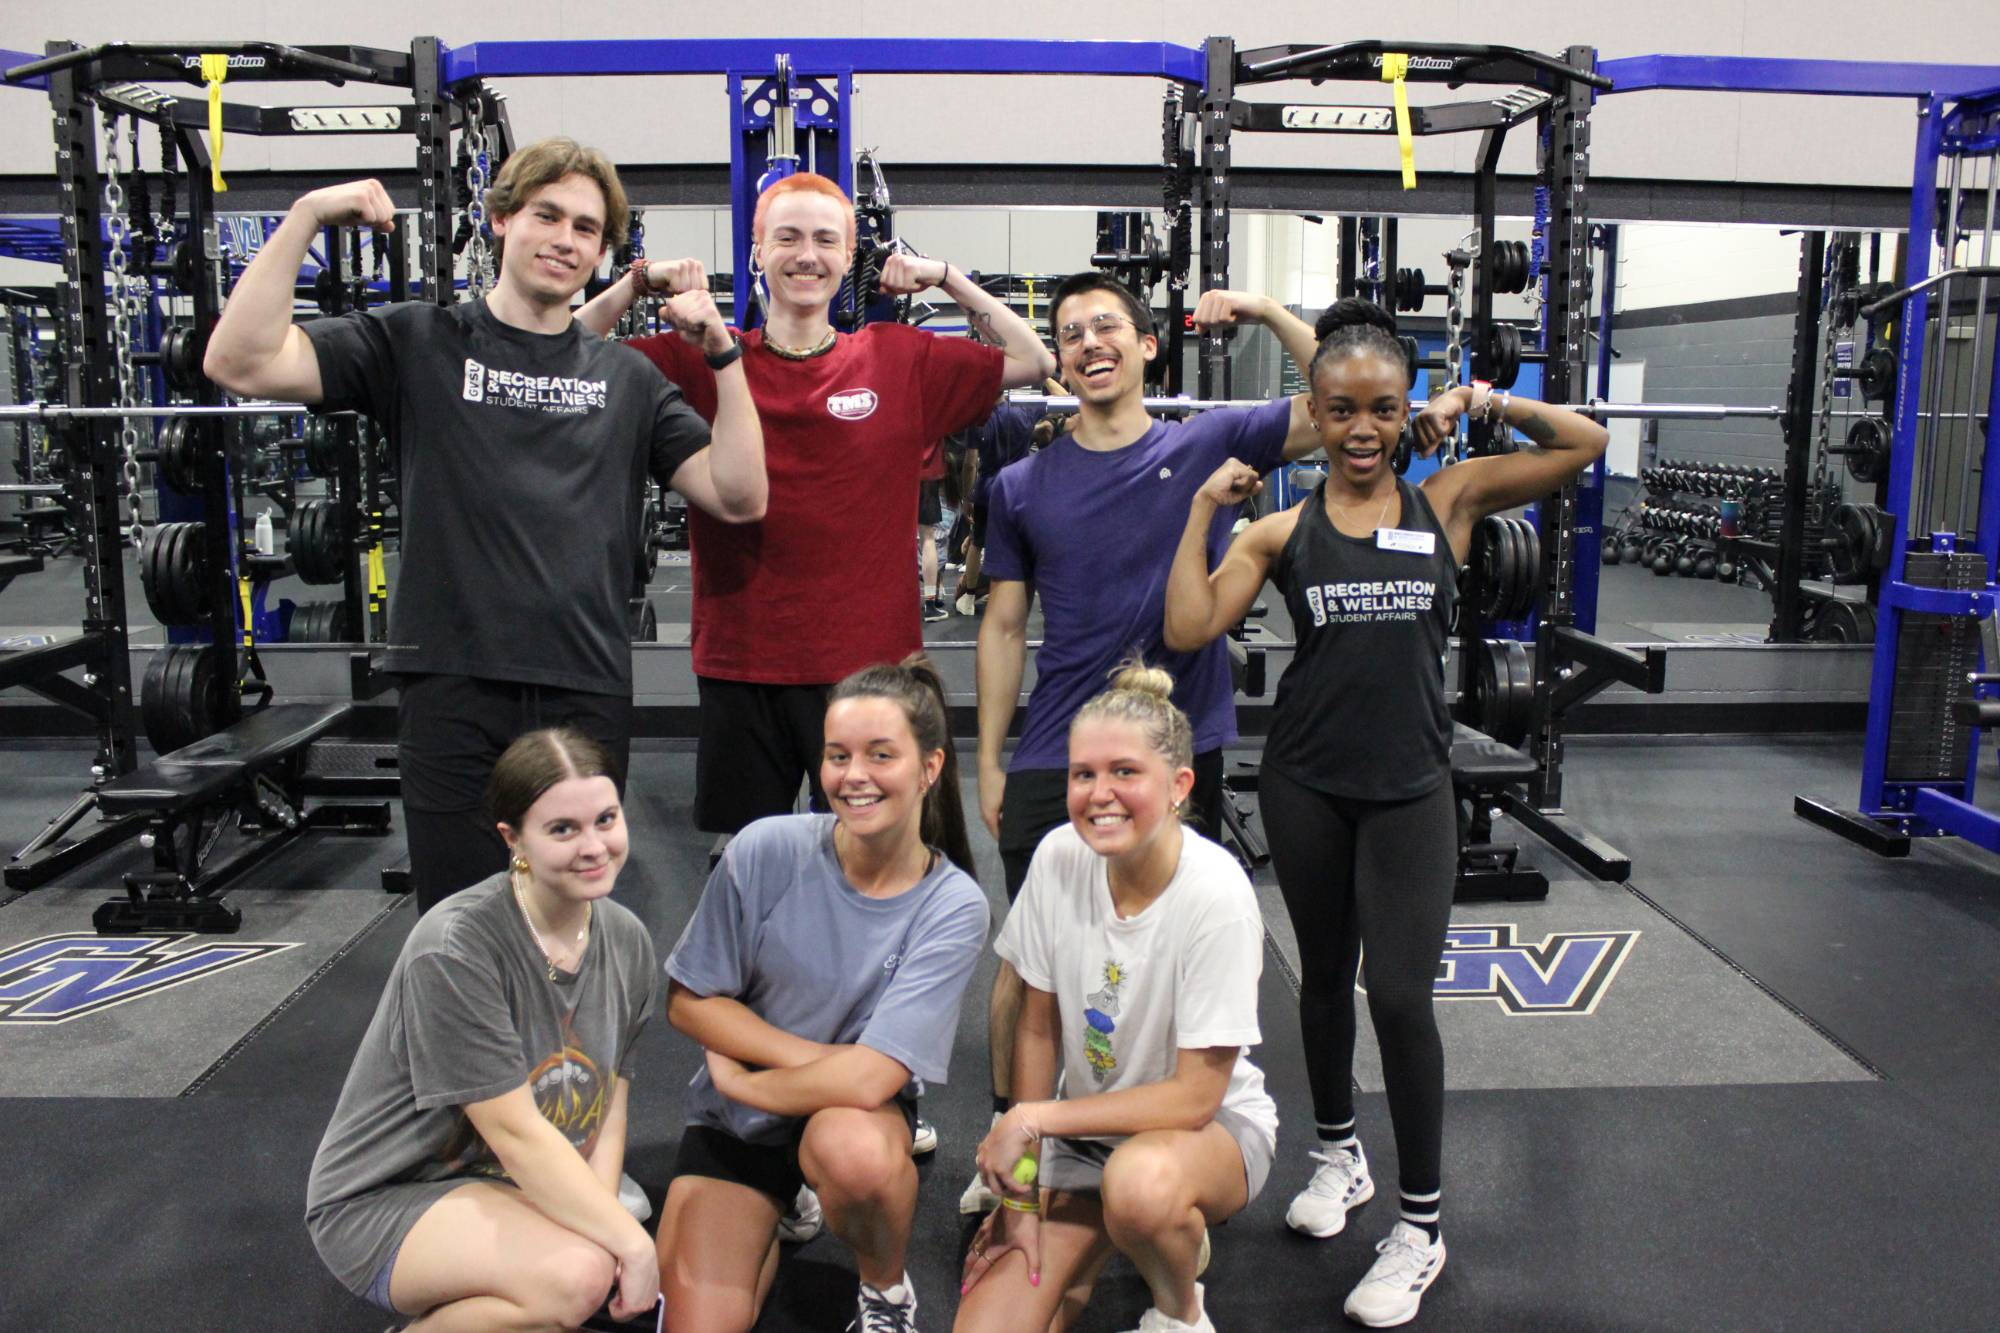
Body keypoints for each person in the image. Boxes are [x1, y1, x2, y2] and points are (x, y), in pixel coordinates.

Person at [1162, 299, 1610, 1327]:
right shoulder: (1282, 529)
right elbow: (1188, 622)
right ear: (1311, 414)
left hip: (1409, 788)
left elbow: (1582, 444)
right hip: (1305, 781)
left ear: (1404, 413)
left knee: (1398, 997)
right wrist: (1201, 513)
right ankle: (1335, 1155)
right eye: (1338, 410)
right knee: (1321, 983)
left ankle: (1420, 1223)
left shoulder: (1447, 501)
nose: (1359, 430)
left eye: (1381, 408)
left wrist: (1479, 398)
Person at [203, 138, 766, 913]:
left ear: (602, 251)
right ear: (500, 219)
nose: (565, 240)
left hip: (583, 686)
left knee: (572, 917)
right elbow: (238, 361)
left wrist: (724, 358)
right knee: (461, 923)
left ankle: (563, 1044)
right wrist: (303, 216)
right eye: (546, 215)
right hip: (452, 688)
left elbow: (739, 496)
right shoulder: (417, 341)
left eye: (586, 229)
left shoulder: (627, 377)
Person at [968, 276, 1323, 1209]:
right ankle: (1016, 1130)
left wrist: (1262, 309)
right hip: (1055, 750)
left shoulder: (1204, 441)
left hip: (1172, 746)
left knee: (1159, 958)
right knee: (1028, 974)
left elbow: (1336, 401)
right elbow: (1004, 627)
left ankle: (1158, 1142)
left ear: (1146, 346)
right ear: (1059, 355)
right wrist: (990, 757)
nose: (1091, 343)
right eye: (1072, 332)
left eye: (1109, 327)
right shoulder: (1019, 485)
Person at [577, 173, 1055, 841]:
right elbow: (566, 357)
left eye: (826, 240)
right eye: (789, 238)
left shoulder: (897, 357)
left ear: (849, 253)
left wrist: (945, 274)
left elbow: (1033, 358)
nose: (807, 255)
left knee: (870, 869)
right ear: (758, 252)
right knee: (751, 871)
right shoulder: (705, 358)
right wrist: (632, 284)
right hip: (745, 663)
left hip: (869, 667)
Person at [657, 656, 990, 1333]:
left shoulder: (954, 903)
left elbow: (873, 1077)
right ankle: (778, 1214)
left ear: (929, 767)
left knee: (857, 1159)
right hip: (739, 1126)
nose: (853, 775)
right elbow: (689, 1001)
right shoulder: (763, 848)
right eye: (837, 755)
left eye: (879, 754)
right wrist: (807, 1060)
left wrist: (748, 1080)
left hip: (845, 1114)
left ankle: (885, 1293)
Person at [955, 665, 1276, 1333]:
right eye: (1082, 774)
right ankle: (1141, 1228)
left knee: (1141, 1188)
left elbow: (1194, 1096)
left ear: (1180, 785)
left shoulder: (1217, 897)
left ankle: (1179, 1309)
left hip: (1207, 1132)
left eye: (1124, 772)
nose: (1099, 794)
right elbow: (1037, 1028)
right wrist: (1020, 1196)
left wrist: (1035, 1120)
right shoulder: (1057, 857)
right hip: (1090, 1136)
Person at [305, 728, 660, 1329]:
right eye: (562, 830)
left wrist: (606, 1223)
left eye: (606, 819)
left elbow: (609, 1105)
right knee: (577, 1278)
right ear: (512, 839)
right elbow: (516, 1133)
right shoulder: (456, 947)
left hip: (502, 1180)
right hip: (392, 1193)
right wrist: (632, 1245)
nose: (595, 846)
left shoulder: (626, 938)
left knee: (592, 1255)